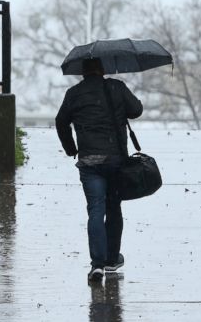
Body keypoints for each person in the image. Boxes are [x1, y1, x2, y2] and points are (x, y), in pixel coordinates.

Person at [55, 59, 143, 283]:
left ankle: (97, 265)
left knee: (96, 210)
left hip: (89, 162)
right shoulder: (116, 87)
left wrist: (70, 149)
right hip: (115, 160)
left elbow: (60, 121)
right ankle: (112, 259)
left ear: (83, 72)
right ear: (102, 70)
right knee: (114, 208)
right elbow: (137, 110)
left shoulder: (74, 93)